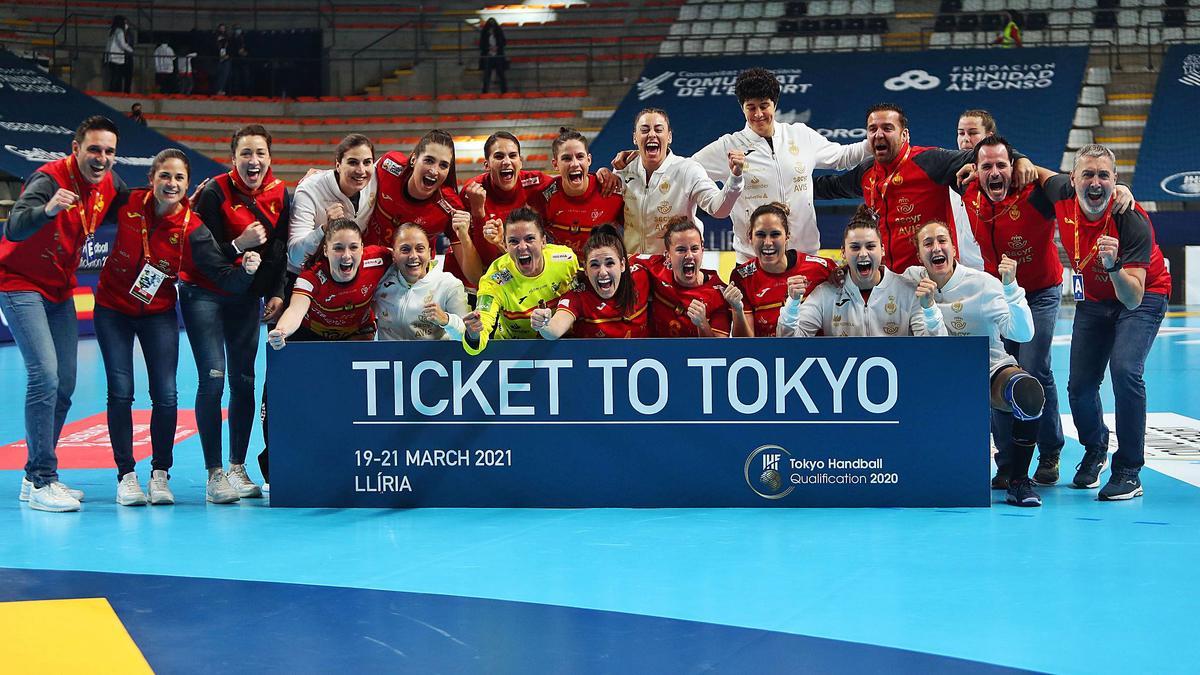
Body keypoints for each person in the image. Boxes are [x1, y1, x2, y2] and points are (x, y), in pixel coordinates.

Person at [96, 149, 262, 506]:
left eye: (179, 178)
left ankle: (159, 475)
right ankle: (126, 476)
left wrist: (246, 267)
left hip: (157, 312)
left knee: (166, 394)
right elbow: (92, 200)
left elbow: (219, 270)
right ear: (152, 178)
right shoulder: (127, 202)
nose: (171, 184)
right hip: (112, 309)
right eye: (165, 176)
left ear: (188, 185)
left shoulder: (192, 225)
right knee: (121, 391)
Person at [1, 116, 126, 512]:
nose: (101, 158)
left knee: (65, 384)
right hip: (19, 283)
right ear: (76, 149)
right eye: (94, 149)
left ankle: (32, 477)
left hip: (59, 288)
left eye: (108, 151)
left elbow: (137, 203)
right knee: (45, 376)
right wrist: (49, 209)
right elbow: (14, 229)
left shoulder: (109, 183)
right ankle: (42, 480)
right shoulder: (48, 179)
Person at [1043, 144, 1172, 500]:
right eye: (1088, 174)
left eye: (1104, 175)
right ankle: (1095, 448)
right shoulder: (1060, 193)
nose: (1095, 182)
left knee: (1126, 369)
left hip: (1141, 295)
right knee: (1080, 386)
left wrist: (1113, 265)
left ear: (1115, 182)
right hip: (1094, 301)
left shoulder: (1131, 219)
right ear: (1073, 179)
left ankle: (1129, 470)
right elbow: (1032, 171)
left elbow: (1132, 296)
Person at [181, 123, 290, 504]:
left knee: (244, 380)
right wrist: (237, 246)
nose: (253, 160)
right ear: (233, 159)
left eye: (260, 153)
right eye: (245, 153)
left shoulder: (280, 194)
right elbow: (202, 254)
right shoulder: (213, 192)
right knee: (213, 379)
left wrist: (275, 293)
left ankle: (237, 466)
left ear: (270, 159)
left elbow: (279, 251)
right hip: (204, 294)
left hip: (245, 297)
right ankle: (214, 475)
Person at [903, 221, 1042, 507]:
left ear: (954, 248)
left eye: (942, 240)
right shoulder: (911, 283)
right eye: (927, 243)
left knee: (1028, 393)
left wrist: (1012, 288)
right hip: (940, 375)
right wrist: (929, 308)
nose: (936, 247)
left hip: (988, 369)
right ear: (919, 255)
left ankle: (1018, 480)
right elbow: (938, 348)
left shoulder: (983, 284)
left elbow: (1024, 333)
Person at [813, 103, 1036, 272]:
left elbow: (986, 153)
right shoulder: (866, 172)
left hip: (933, 275)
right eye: (872, 129)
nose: (879, 134)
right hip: (888, 280)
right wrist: (788, 182)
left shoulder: (929, 161)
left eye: (887, 128)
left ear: (905, 135)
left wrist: (1020, 158)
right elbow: (831, 187)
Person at [690, 67, 869, 261]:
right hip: (753, 260)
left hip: (805, 256)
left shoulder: (801, 135)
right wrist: (713, 200)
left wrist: (875, 142)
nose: (758, 114)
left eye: (764, 105)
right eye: (751, 107)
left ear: (774, 104)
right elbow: (686, 173)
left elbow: (843, 156)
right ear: (742, 107)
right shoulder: (728, 146)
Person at [777, 205, 940, 338]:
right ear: (843, 252)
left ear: (882, 250)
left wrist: (930, 309)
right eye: (855, 247)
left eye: (870, 246)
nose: (863, 253)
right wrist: (792, 305)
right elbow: (790, 345)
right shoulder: (826, 294)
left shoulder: (908, 291)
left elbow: (935, 350)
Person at [610, 108, 744, 255]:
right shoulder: (623, 170)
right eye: (645, 130)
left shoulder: (687, 170)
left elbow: (719, 210)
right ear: (635, 138)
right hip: (634, 266)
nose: (652, 134)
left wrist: (735, 179)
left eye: (659, 129)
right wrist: (601, 173)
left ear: (669, 137)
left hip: (674, 269)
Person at [369, 131, 477, 290]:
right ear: (413, 159)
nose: (434, 171)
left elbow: (473, 277)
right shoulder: (388, 166)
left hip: (412, 277)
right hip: (370, 267)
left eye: (443, 165)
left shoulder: (451, 207)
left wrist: (464, 236)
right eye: (429, 160)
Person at [462, 207, 578, 354]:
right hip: (512, 350)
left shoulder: (566, 260)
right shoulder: (494, 279)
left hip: (563, 346)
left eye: (530, 239)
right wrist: (473, 334)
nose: (522, 247)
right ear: (505, 245)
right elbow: (480, 332)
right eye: (513, 241)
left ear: (543, 241)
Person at [268, 218, 392, 348]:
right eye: (338, 248)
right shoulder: (311, 276)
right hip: (312, 334)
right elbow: (295, 310)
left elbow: (405, 258)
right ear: (326, 250)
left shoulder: (379, 259)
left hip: (358, 331)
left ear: (362, 248)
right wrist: (281, 331)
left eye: (353, 247)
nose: (346, 255)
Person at [459, 131, 553, 286]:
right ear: (486, 164)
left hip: (535, 272)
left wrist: (600, 176)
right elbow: (484, 260)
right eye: (499, 156)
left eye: (512, 155)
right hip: (491, 276)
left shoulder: (537, 183)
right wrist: (478, 212)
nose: (507, 162)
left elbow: (572, 187)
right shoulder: (472, 192)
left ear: (521, 162)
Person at [731, 202, 836, 337]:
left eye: (775, 234)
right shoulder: (741, 277)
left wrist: (842, 272)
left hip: (817, 356)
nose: (768, 242)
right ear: (750, 237)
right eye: (760, 235)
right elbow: (744, 345)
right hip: (765, 356)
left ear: (787, 237)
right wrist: (737, 310)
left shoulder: (821, 268)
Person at [530, 224, 651, 339]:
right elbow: (554, 330)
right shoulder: (578, 295)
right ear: (585, 269)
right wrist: (544, 324)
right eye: (594, 265)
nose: (603, 272)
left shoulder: (641, 275)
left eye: (610, 263)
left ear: (623, 264)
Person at [288, 133, 377, 275]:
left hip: (348, 273)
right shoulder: (310, 189)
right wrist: (325, 230)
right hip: (306, 275)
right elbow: (295, 257)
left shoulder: (375, 178)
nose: (361, 170)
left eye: (367, 162)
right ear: (338, 165)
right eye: (352, 162)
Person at [529, 127, 624, 259]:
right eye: (567, 158)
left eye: (580, 157)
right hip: (561, 272)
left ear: (589, 160)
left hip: (600, 272)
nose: (574, 164)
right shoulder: (544, 196)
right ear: (555, 164)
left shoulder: (610, 191)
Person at [639, 218, 738, 337]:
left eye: (695, 249)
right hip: (655, 353)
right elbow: (622, 260)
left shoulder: (718, 293)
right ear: (668, 255)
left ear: (702, 251)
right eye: (681, 250)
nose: (689, 255)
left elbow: (718, 351)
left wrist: (702, 324)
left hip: (695, 354)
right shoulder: (655, 269)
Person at [374, 223, 469, 340]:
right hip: (387, 357)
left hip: (431, 358)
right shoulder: (380, 278)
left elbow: (468, 336)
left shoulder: (449, 285)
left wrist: (447, 320)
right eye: (405, 250)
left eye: (420, 249)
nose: (413, 256)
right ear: (394, 255)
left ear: (429, 253)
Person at [947, 109, 991, 270]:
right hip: (956, 272)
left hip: (991, 271)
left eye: (973, 133)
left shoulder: (1001, 179)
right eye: (961, 133)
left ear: (989, 137)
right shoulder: (946, 176)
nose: (965, 139)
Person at [105, 16, 135, 93]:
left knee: (113, 75)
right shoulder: (119, 31)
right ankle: (114, 91)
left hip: (110, 57)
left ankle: (112, 90)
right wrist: (131, 50)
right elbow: (122, 44)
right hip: (116, 57)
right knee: (116, 76)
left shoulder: (111, 30)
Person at [479, 17, 508, 94]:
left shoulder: (499, 32)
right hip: (488, 56)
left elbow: (503, 42)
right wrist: (489, 48)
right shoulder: (484, 33)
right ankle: (485, 92)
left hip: (498, 56)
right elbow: (481, 45)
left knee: (501, 74)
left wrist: (497, 47)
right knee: (486, 75)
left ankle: (504, 91)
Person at [214, 23, 231, 95]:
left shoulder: (228, 37)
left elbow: (231, 47)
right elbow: (213, 47)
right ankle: (217, 89)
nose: (222, 29)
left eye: (223, 28)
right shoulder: (215, 37)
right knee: (218, 74)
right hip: (218, 58)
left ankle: (222, 89)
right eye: (221, 28)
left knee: (225, 75)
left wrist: (228, 55)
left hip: (226, 58)